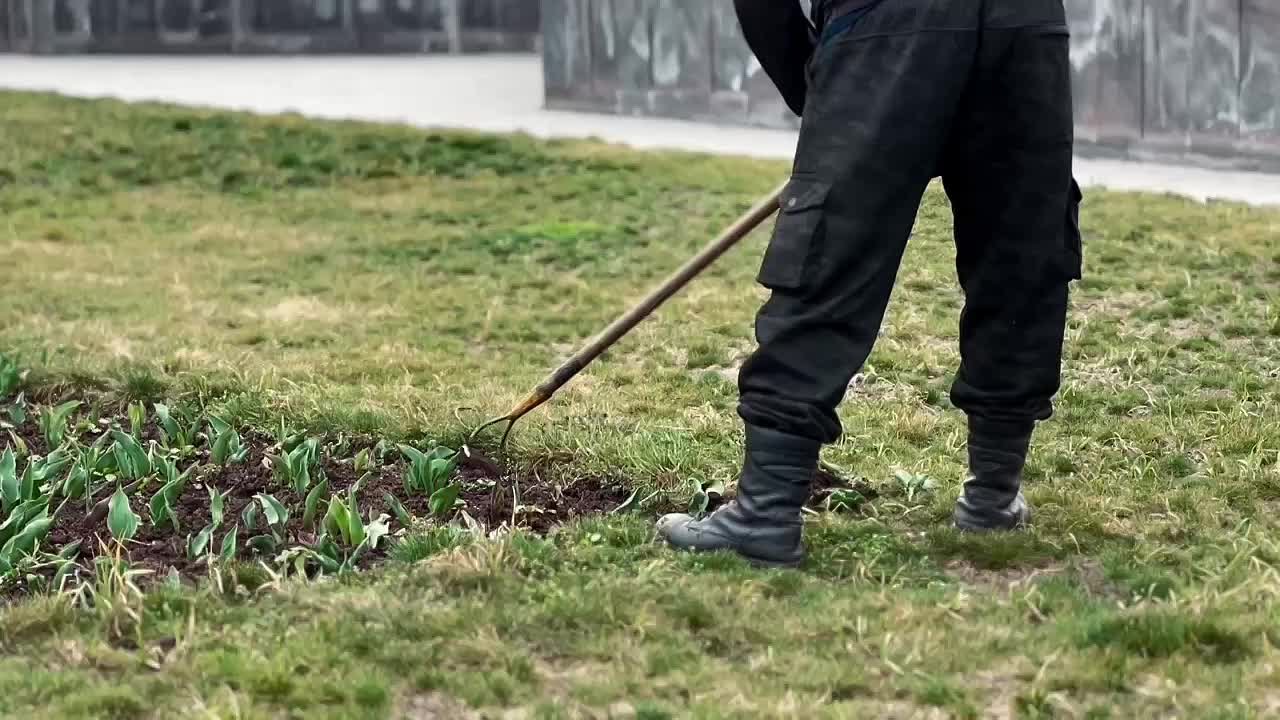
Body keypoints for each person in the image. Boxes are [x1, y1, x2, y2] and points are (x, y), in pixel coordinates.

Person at [657, 0, 1084, 567]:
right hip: (1022, 24)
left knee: (832, 249)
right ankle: (992, 495)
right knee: (1021, 252)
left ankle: (764, 512)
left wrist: (817, 88)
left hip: (889, 25)